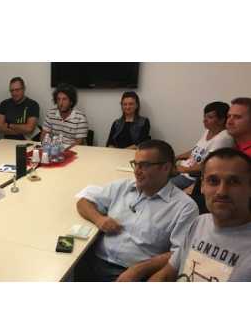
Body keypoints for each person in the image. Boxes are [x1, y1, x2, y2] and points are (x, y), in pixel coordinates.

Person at [75, 139, 198, 281]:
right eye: (135, 164)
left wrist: (139, 269)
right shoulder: (122, 187)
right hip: (94, 258)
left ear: (165, 168)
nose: (136, 171)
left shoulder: (185, 207)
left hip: (130, 273)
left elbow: (181, 253)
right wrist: (99, 219)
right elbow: (83, 202)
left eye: (144, 165)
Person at [131, 148, 251, 282]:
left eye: (234, 182)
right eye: (213, 181)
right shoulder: (199, 223)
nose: (222, 191)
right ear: (202, 186)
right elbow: (167, 273)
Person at [172, 101, 233, 190]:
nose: (204, 120)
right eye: (205, 116)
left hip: (192, 177)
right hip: (185, 170)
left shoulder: (224, 138)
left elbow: (211, 165)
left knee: (159, 186)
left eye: (210, 117)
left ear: (221, 120)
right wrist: (176, 157)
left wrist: (182, 169)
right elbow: (196, 150)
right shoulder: (209, 131)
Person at [40, 83, 89, 149]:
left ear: (71, 101)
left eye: (64, 99)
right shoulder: (50, 114)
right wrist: (48, 147)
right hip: (54, 149)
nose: (61, 103)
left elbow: (79, 143)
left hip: (73, 150)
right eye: (58, 99)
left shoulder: (80, 118)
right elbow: (43, 135)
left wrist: (63, 151)